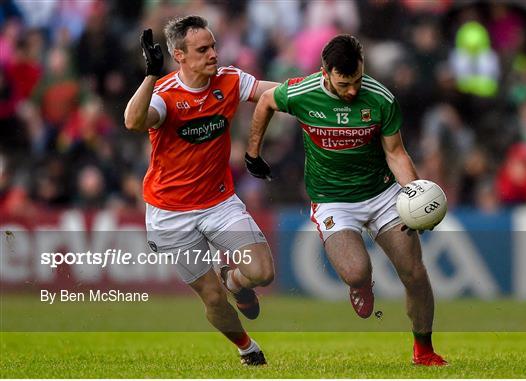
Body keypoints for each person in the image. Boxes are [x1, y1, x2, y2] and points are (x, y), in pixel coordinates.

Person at [245, 34, 447, 366]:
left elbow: (395, 153)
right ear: (325, 73)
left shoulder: (381, 98)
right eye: (343, 84)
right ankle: (361, 285)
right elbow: (266, 100)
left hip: (382, 194)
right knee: (355, 272)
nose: (352, 90)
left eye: (357, 80)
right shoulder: (301, 92)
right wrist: (253, 153)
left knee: (413, 272)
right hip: (332, 200)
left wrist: (414, 194)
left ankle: (423, 349)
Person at [124, 15, 278, 366]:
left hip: (219, 203)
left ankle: (234, 279)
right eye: (203, 49)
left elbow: (277, 92)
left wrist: (322, 88)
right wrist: (150, 74)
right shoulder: (164, 96)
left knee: (262, 273)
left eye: (214, 46)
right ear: (178, 55)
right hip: (169, 214)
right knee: (211, 299)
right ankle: (246, 347)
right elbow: (133, 121)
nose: (213, 54)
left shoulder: (230, 80)